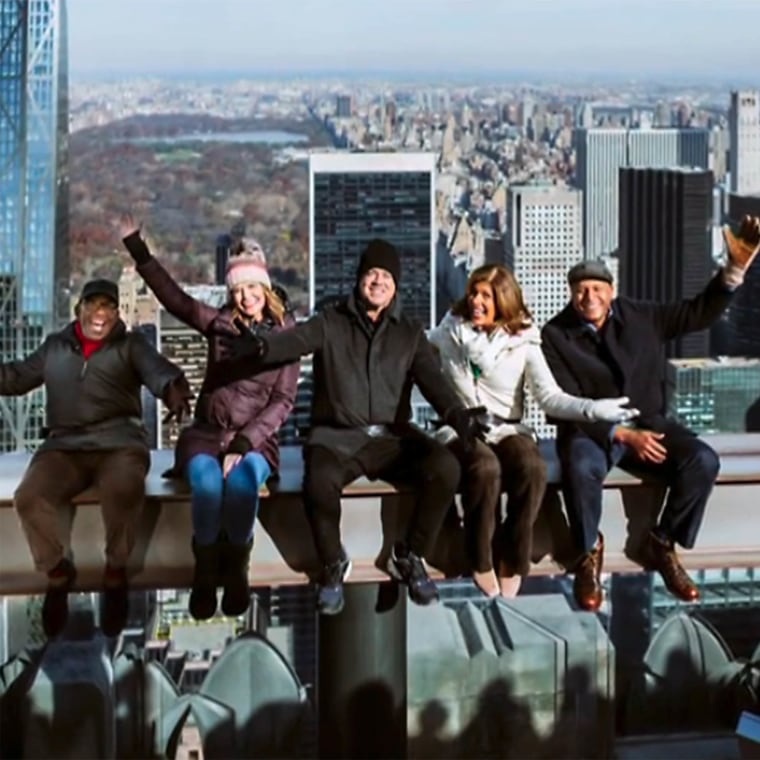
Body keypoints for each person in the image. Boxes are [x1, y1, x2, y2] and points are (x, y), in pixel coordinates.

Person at [219, 238, 485, 615]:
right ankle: (332, 563)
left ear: (396, 285)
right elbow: (295, 341)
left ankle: (409, 555)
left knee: (445, 467)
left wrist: (459, 416)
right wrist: (263, 348)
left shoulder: (409, 333)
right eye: (371, 273)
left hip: (393, 438)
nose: (378, 281)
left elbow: (434, 382)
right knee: (319, 482)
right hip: (336, 437)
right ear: (359, 278)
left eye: (386, 276)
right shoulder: (332, 322)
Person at [541, 215, 760, 612]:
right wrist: (621, 435)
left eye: (596, 288)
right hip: (594, 431)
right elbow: (561, 402)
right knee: (581, 466)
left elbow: (698, 313)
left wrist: (733, 270)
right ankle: (588, 553)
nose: (588, 296)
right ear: (571, 294)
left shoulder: (642, 316)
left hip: (651, 422)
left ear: (612, 291)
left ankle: (662, 541)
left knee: (702, 460)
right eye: (580, 289)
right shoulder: (556, 334)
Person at [120, 218, 299, 621]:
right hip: (206, 433)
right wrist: (138, 250)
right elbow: (175, 300)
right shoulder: (219, 324)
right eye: (237, 290)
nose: (245, 297)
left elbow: (283, 400)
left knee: (239, 485)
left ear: (265, 288)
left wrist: (242, 444)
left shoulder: (289, 336)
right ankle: (205, 570)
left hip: (253, 440)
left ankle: (236, 566)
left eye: (252, 288)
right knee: (204, 483)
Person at [428, 264, 638, 599]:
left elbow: (550, 398)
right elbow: (414, 362)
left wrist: (594, 410)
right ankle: (480, 558)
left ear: (504, 302)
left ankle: (513, 557)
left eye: (487, 296)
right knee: (484, 468)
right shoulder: (447, 334)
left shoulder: (523, 341)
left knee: (532, 467)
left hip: (508, 427)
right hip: (461, 429)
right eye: (474, 293)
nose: (476, 302)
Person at [4, 278, 193, 638]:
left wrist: (174, 390)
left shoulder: (130, 345)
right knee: (29, 497)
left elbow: (158, 371)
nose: (101, 313)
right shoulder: (55, 347)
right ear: (80, 310)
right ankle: (57, 574)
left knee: (124, 488)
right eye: (94, 305)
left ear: (116, 313)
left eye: (108, 306)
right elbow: (16, 378)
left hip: (119, 443)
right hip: (64, 446)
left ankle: (115, 573)